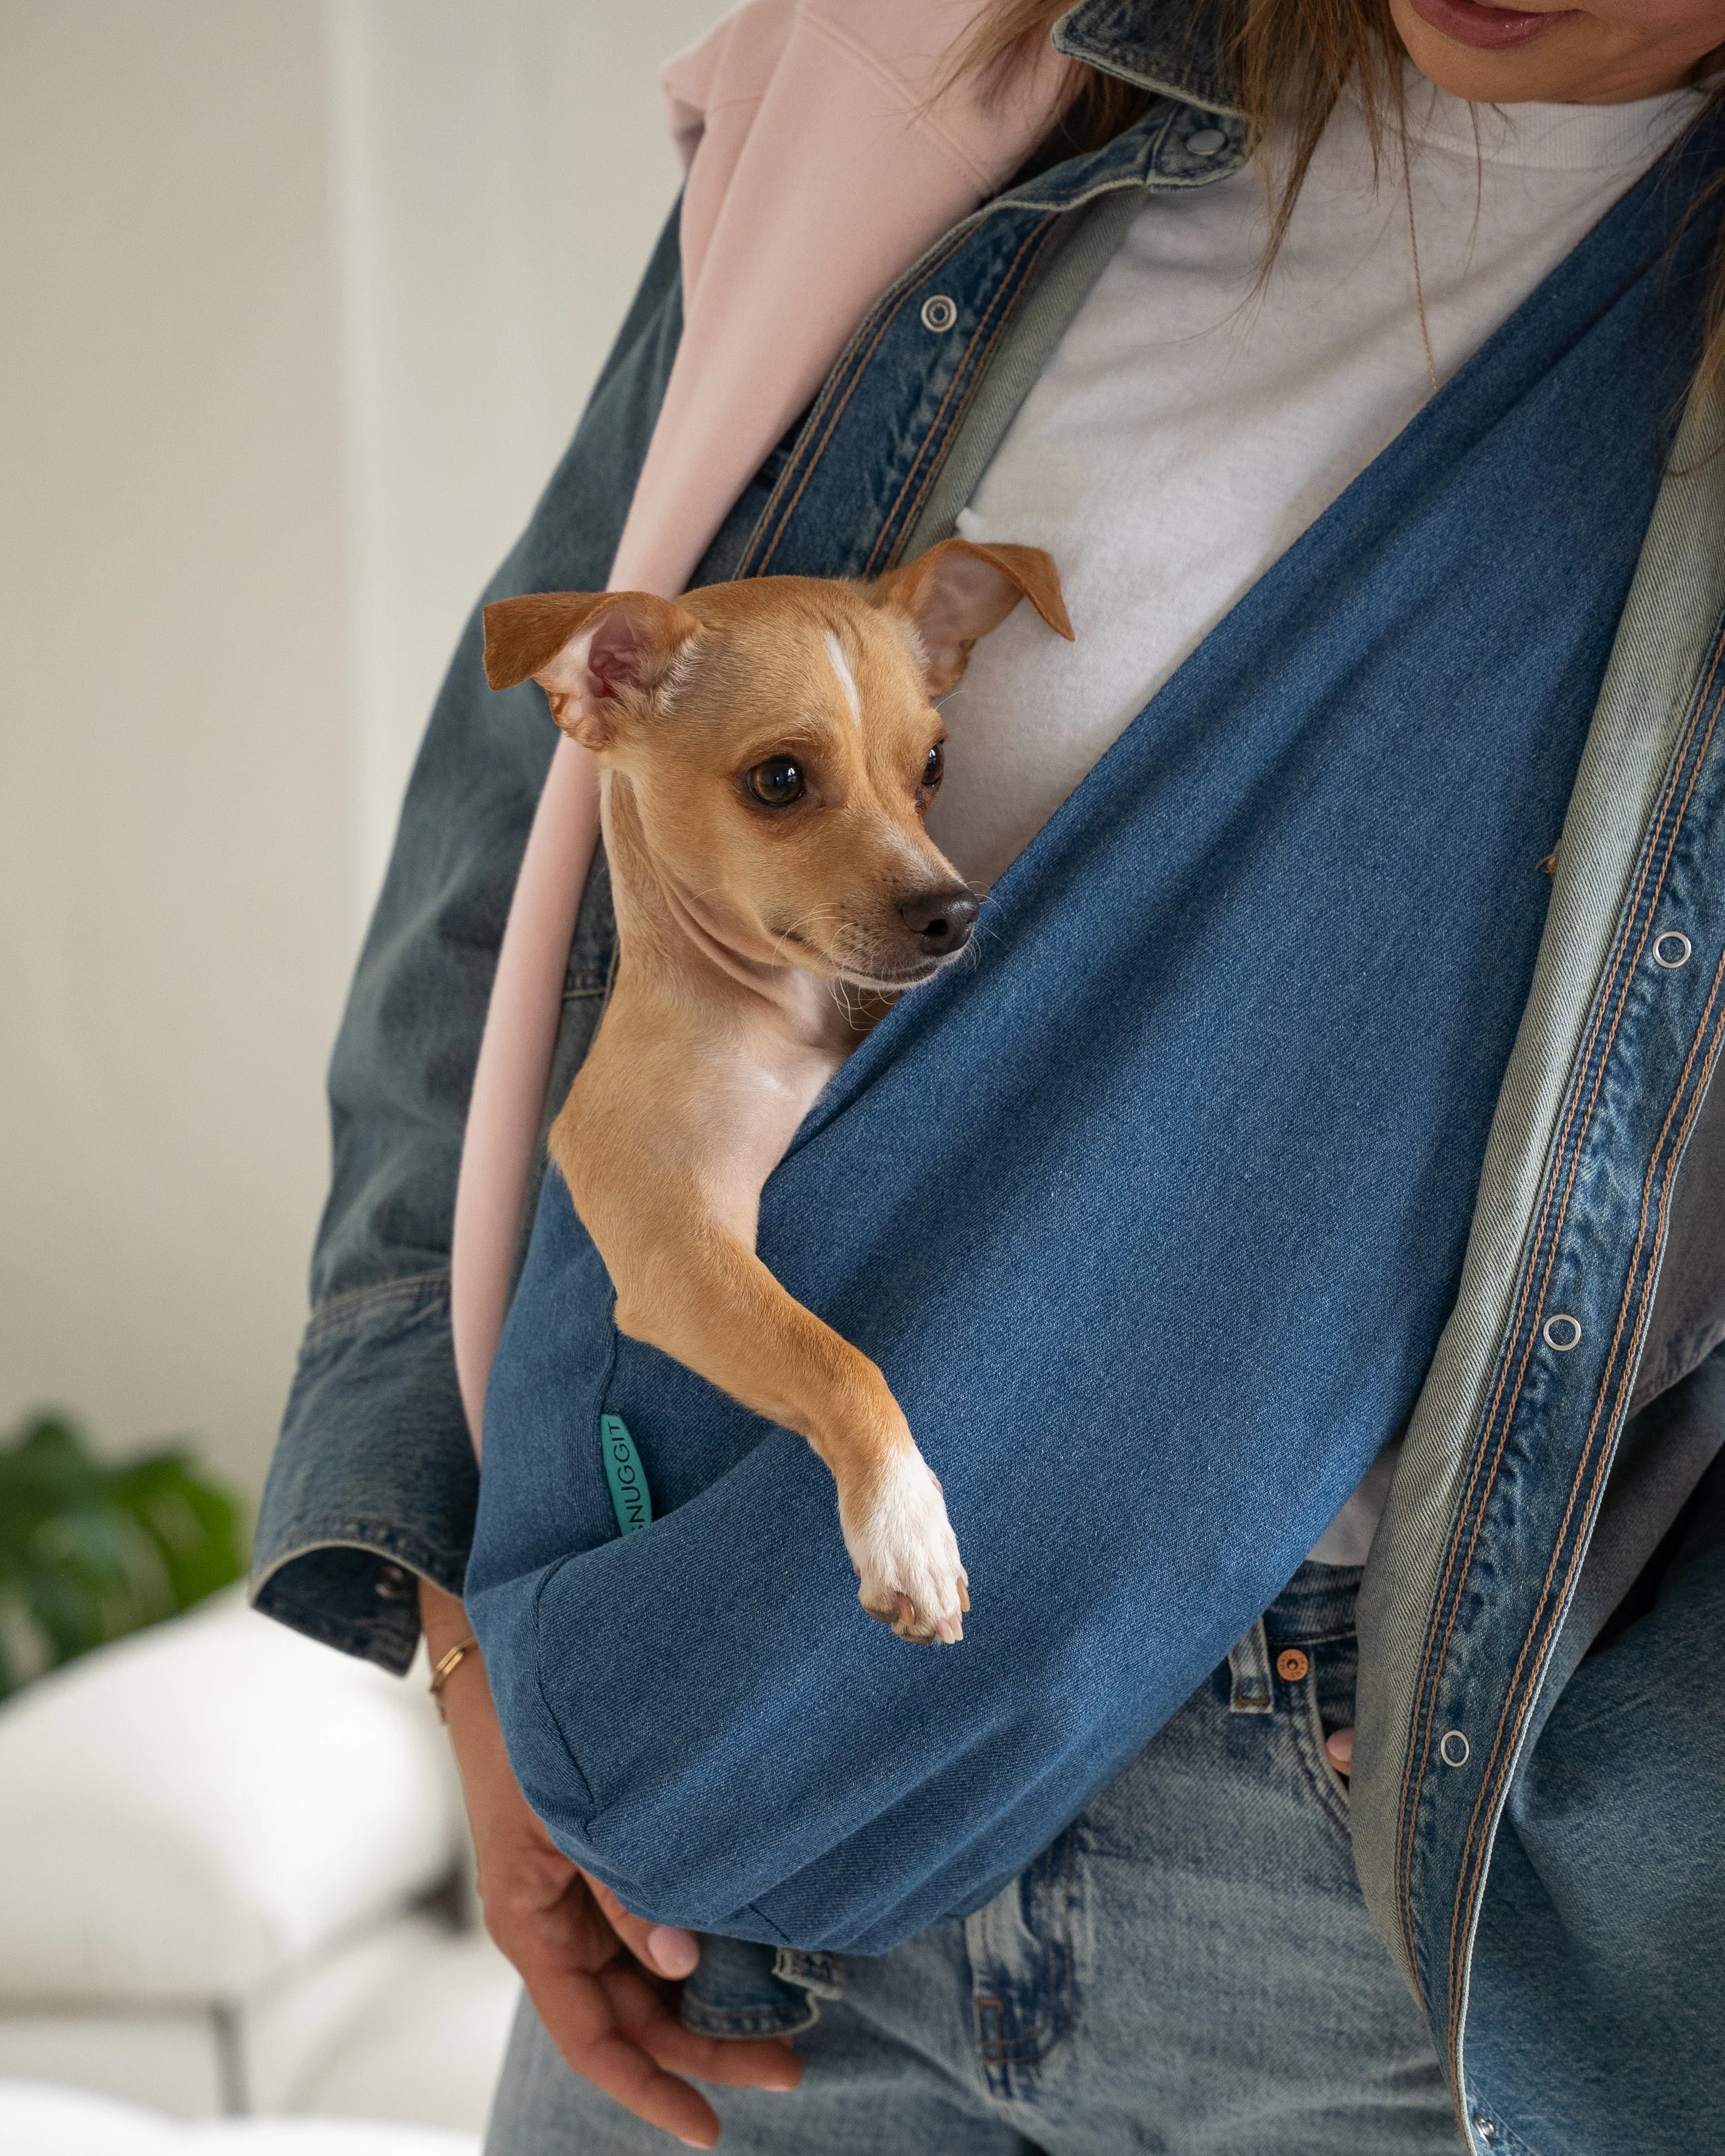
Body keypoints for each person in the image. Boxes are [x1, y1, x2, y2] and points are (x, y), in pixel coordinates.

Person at [254, 1, 1725, 2150]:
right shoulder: (925, 86)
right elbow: (508, 870)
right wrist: (475, 1616)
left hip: (1425, 1861)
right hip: (735, 1709)